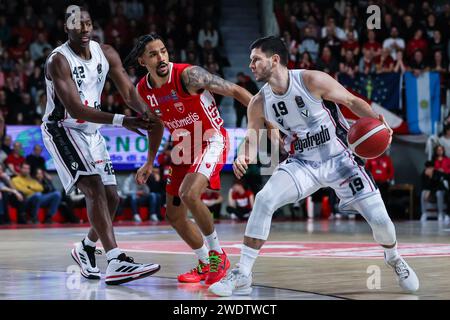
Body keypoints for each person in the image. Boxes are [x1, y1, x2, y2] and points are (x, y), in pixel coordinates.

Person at [209, 36, 419, 296]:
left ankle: (394, 258)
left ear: (274, 60)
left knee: (381, 222)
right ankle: (242, 272)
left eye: (256, 59)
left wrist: (380, 122)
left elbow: (352, 102)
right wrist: (243, 156)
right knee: (264, 199)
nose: (250, 64)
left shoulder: (311, 80)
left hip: (342, 160)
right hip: (303, 163)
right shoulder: (259, 102)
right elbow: (253, 137)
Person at [41, 6, 160, 285]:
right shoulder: (58, 60)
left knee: (112, 198)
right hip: (63, 128)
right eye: (76, 25)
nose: (83, 29)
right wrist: (123, 121)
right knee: (93, 187)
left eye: (88, 23)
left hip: (92, 131)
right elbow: (75, 108)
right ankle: (116, 260)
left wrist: (145, 113)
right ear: (66, 28)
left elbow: (129, 92)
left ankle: (85, 247)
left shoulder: (105, 53)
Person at [127, 33, 253, 285]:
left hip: (211, 138)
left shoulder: (188, 75)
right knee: (173, 216)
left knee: (189, 194)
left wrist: (263, 124)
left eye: (163, 51)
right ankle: (205, 263)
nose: (161, 57)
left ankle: (219, 255)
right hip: (183, 147)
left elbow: (237, 91)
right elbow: (156, 125)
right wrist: (149, 161)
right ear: (142, 61)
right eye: (153, 54)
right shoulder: (143, 89)